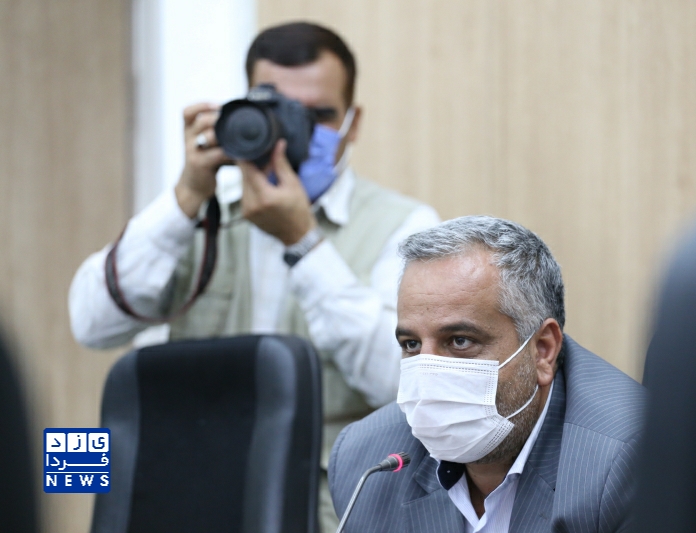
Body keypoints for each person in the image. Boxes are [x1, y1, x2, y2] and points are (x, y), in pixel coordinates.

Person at [68, 22, 439, 532]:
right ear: (246, 109)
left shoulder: (405, 227)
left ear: (353, 124)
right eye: (280, 111)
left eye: (319, 116)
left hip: (326, 511)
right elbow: (92, 324)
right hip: (192, 499)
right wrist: (185, 197)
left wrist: (304, 243)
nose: (297, 132)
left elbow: (402, 382)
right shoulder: (199, 218)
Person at [328, 216, 645, 533]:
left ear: (543, 350)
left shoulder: (634, 461)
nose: (427, 377)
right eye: (411, 344)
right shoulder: (365, 462)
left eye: (460, 341)